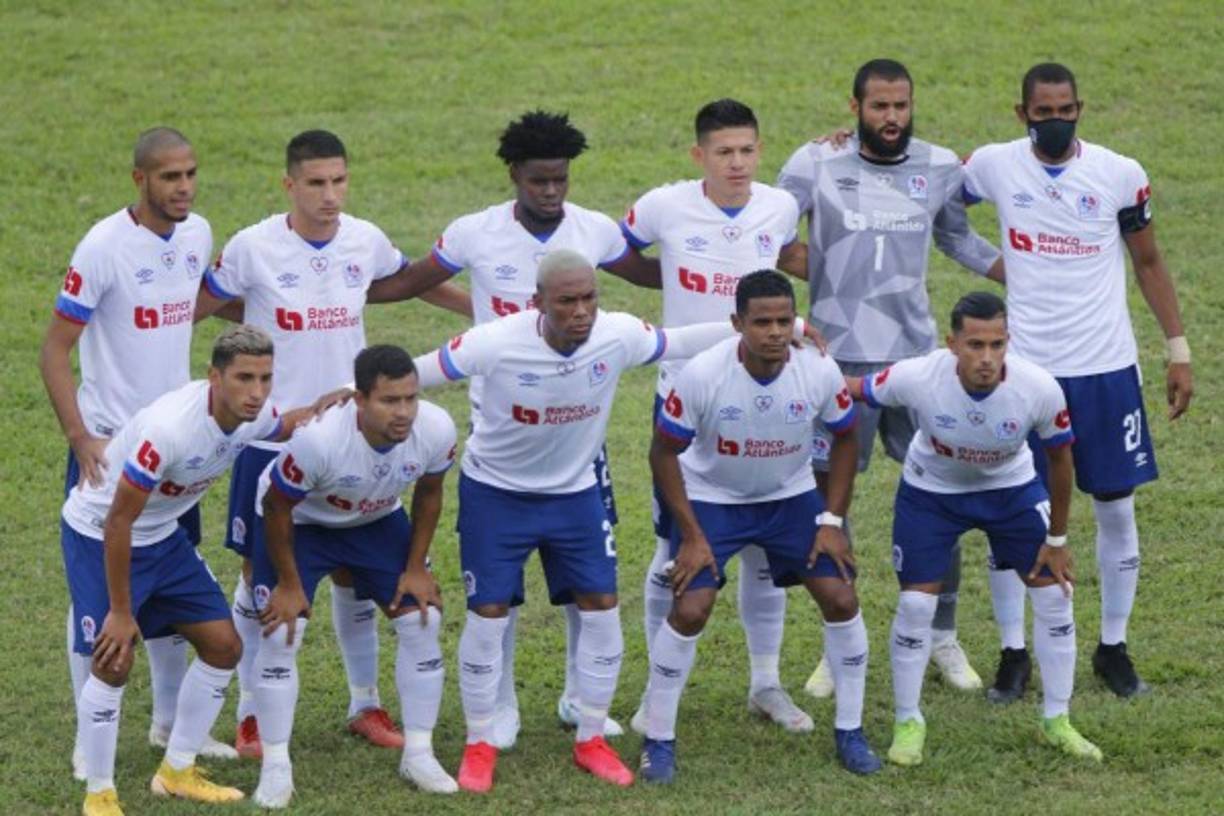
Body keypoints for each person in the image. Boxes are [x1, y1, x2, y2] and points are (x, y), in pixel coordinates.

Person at [411, 250, 811, 793]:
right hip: (496, 495)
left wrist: (795, 328)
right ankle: (480, 743)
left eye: (589, 299)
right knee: (488, 613)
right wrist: (346, 390)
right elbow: (415, 373)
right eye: (566, 302)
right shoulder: (495, 341)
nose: (581, 312)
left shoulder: (616, 335)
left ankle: (592, 738)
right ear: (538, 304)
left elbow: (680, 340)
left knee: (602, 608)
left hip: (576, 496)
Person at [367, 110, 660, 746]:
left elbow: (661, 276)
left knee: (592, 583)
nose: (551, 192)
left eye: (560, 180)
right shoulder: (475, 233)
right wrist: (333, 293)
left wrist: (734, 277)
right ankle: (496, 710)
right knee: (495, 592)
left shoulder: (595, 231)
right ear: (514, 176)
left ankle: (580, 700)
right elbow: (412, 281)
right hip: (500, 424)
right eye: (538, 181)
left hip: (575, 428)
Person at [194, 130, 454, 756]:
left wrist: (483, 308)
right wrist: (259, 310)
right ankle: (251, 712)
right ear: (289, 185)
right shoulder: (254, 247)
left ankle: (364, 704)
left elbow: (402, 279)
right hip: (273, 438)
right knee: (262, 579)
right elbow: (202, 302)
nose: (330, 195)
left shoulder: (363, 239)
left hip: (354, 432)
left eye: (339, 180)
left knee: (354, 575)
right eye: (316, 183)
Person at [961, 63, 1193, 700]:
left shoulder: (1120, 172)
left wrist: (1178, 351)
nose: (1055, 121)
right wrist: (988, 263)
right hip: (1026, 375)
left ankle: (1113, 647)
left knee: (1115, 509)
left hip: (1107, 371)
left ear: (1080, 108)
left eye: (1065, 110)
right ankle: (1014, 653)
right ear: (1022, 114)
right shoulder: (996, 165)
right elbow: (930, 190)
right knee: (1013, 513)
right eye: (1043, 113)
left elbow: (1147, 260)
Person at [777, 58, 1004, 698]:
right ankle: (837, 644)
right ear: (854, 109)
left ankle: (942, 637)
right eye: (879, 106)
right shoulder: (812, 163)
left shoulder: (938, 167)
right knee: (830, 507)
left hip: (914, 362)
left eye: (901, 105)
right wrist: (822, 268)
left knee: (945, 494)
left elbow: (958, 239)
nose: (892, 118)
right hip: (835, 362)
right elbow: (764, 236)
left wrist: (1029, 278)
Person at [39, 126, 234, 779]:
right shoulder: (103, 247)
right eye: (170, 177)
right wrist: (79, 436)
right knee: (95, 589)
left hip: (177, 449)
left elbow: (193, 301)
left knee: (171, 588)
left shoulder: (198, 233)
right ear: (140, 180)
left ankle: (169, 724)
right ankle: (82, 729)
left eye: (190, 174)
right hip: (111, 449)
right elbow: (55, 348)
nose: (184, 187)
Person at [62, 325, 322, 815]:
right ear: (214, 377)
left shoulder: (255, 413)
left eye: (265, 378)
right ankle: (98, 792)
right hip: (101, 534)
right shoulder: (169, 430)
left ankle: (176, 769)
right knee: (113, 661)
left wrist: (327, 406)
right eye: (244, 378)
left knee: (224, 646)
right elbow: (119, 520)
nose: (257, 391)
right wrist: (122, 611)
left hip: (162, 536)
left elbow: (280, 424)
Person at [620, 98, 815, 734]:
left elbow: (786, 262)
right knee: (669, 546)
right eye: (724, 152)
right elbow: (617, 253)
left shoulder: (779, 207)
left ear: (760, 152)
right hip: (688, 393)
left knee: (765, 550)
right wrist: (670, 277)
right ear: (698, 155)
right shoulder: (662, 206)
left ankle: (766, 684)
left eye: (748, 151)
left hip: (769, 390)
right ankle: (655, 693)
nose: (737, 163)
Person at [641, 270, 880, 782]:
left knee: (841, 598)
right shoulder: (703, 374)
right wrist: (693, 535)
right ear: (738, 324)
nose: (774, 332)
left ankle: (851, 731)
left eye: (782, 320)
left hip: (789, 498)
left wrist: (831, 520)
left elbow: (845, 439)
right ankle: (658, 738)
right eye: (761, 322)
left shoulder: (817, 370)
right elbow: (663, 453)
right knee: (691, 608)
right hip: (713, 498)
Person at [860, 292, 1101, 765]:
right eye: (974, 345)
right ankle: (908, 720)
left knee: (1055, 596)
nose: (987, 358)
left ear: (1009, 342)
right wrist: (801, 355)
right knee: (914, 605)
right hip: (931, 496)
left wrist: (1057, 539)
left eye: (996, 344)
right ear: (952, 343)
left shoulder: (1038, 387)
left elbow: (1060, 458)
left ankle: (1058, 720)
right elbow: (854, 389)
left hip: (1010, 493)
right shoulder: (917, 375)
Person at [249, 345, 459, 807]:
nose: (403, 412)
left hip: (374, 519)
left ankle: (419, 754)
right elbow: (276, 506)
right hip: (301, 522)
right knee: (282, 632)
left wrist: (415, 567)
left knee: (423, 618)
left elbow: (429, 493)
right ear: (359, 400)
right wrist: (288, 584)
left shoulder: (436, 427)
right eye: (389, 401)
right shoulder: (319, 439)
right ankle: (276, 765)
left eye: (410, 398)